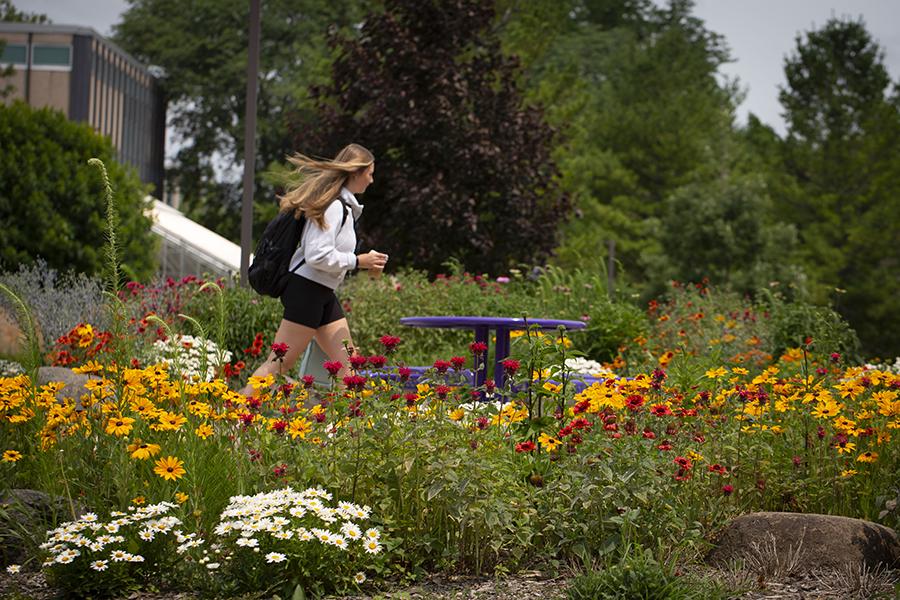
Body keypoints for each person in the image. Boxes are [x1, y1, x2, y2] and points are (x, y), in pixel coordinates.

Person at [241, 143, 387, 395]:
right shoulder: (335, 207)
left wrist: (360, 261)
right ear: (355, 173)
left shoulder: (344, 207)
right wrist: (358, 261)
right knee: (278, 365)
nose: (372, 180)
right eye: (370, 173)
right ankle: (234, 415)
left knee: (349, 369)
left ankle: (352, 432)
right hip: (306, 291)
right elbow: (316, 255)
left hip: (321, 292)